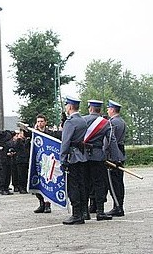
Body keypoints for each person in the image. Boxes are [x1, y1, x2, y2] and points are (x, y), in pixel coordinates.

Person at [83, 100, 122, 221]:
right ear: (100, 110)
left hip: (83, 156)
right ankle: (100, 211)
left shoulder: (82, 120)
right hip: (98, 156)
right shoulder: (105, 123)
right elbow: (111, 141)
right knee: (99, 184)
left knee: (84, 184)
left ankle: (85, 212)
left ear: (90, 108)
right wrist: (116, 159)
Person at [60, 96, 88, 225]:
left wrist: (62, 158)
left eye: (67, 105)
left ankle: (76, 214)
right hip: (82, 155)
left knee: (73, 186)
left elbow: (65, 142)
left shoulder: (70, 122)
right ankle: (83, 211)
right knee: (82, 184)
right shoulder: (82, 120)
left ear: (70, 107)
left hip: (72, 157)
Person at [106, 100, 126, 216]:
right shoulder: (121, 121)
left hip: (114, 154)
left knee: (114, 183)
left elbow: (110, 140)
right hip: (120, 152)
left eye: (108, 108)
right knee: (119, 181)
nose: (107, 110)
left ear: (112, 110)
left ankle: (117, 206)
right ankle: (119, 205)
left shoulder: (112, 122)